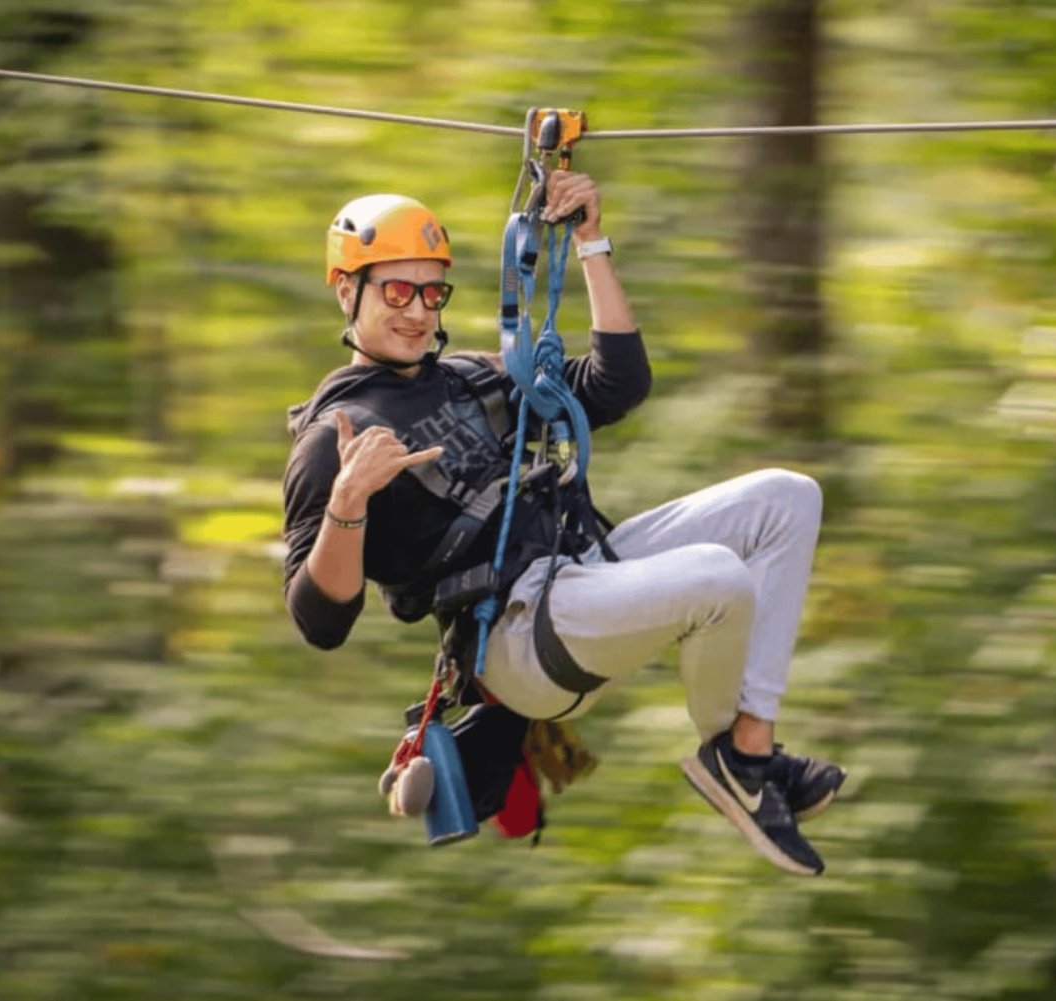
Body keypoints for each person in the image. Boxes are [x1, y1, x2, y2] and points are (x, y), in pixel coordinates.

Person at [282, 170, 845, 875]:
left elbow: (617, 384)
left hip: (581, 577)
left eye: (433, 292)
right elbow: (319, 620)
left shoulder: (471, 378)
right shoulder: (332, 439)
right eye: (398, 291)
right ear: (346, 289)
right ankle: (732, 762)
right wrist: (348, 504)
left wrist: (590, 241)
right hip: (516, 637)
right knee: (719, 579)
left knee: (787, 496)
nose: (418, 312)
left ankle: (750, 749)